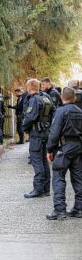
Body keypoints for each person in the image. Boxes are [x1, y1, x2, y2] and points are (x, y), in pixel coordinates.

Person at [46, 88, 82, 220]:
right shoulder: (80, 112)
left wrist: (49, 149)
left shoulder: (60, 112)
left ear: (62, 97)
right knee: (79, 178)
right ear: (75, 98)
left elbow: (54, 133)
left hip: (64, 148)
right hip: (78, 148)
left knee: (58, 177)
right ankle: (79, 209)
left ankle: (60, 210)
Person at [22, 79, 55, 198]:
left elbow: (30, 117)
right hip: (45, 132)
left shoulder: (34, 99)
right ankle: (46, 188)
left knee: (36, 160)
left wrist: (24, 128)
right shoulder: (45, 97)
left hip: (37, 133)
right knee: (43, 160)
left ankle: (38, 189)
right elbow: (53, 112)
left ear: (29, 87)